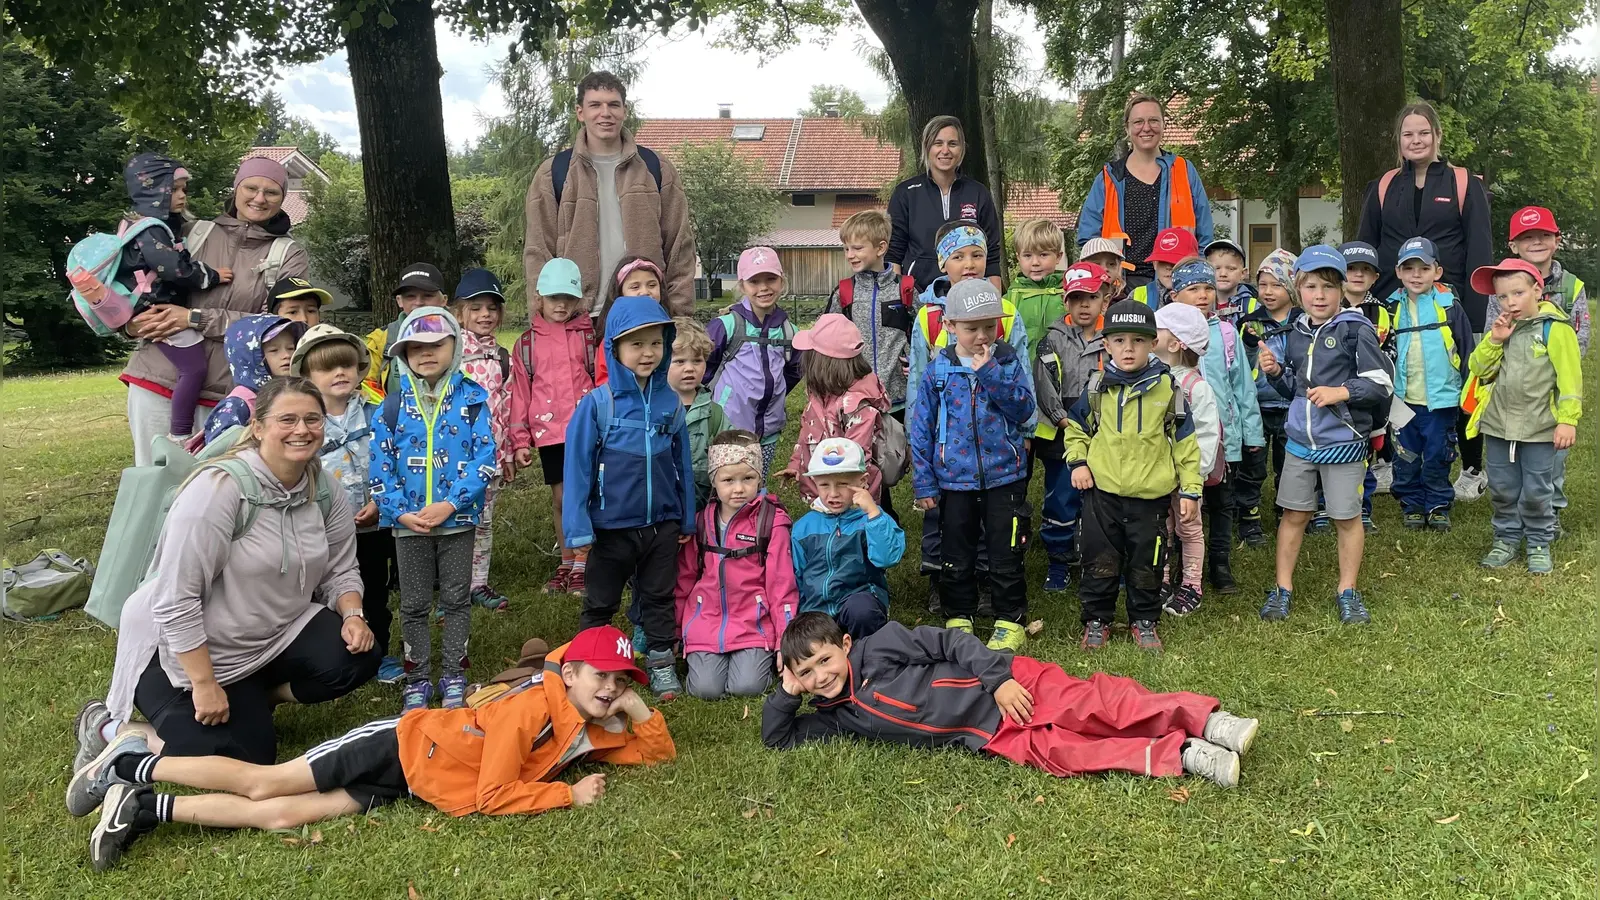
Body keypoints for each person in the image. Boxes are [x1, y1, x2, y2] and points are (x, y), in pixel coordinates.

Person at [72, 626, 675, 872]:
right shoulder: (528, 708)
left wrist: (637, 709)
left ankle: (143, 808)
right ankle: (131, 760)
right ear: (568, 674)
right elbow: (494, 796)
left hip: (415, 782)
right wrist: (565, 795)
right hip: (398, 745)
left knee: (280, 816)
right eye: (602, 677)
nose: (611, 689)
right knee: (268, 782)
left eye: (620, 682)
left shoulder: (581, 729)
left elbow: (657, 757)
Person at [80, 377, 379, 775]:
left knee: (359, 655)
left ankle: (256, 696)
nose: (302, 430)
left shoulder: (323, 489)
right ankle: (109, 729)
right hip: (184, 652)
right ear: (257, 427)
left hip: (274, 633)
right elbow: (176, 599)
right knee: (243, 756)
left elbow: (341, 567)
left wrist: (353, 615)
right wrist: (204, 684)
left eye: (313, 418)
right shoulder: (219, 489)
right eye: (287, 419)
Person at [764, 613, 1258, 788]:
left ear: (845, 646)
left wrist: (998, 680)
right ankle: (1186, 754)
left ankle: (1205, 720)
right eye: (806, 673)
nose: (820, 677)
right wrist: (787, 693)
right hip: (991, 734)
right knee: (1070, 754)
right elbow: (778, 739)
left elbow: (949, 643)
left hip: (1009, 686)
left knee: (1093, 707)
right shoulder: (834, 717)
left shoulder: (881, 648)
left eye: (823, 661)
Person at [121, 155, 310, 467]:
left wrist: (194, 318)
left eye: (272, 192)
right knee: (153, 480)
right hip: (157, 378)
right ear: (236, 189)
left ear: (282, 199)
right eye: (251, 187)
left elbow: (282, 325)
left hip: (230, 394)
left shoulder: (288, 254)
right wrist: (130, 324)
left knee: (215, 489)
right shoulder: (192, 232)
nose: (259, 198)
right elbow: (136, 281)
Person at [1354, 101, 1494, 501]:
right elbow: (1366, 247)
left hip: (1450, 307)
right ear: (1398, 140)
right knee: (1391, 383)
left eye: (1423, 132)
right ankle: (1387, 462)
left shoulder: (1464, 183)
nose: (1415, 140)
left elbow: (1479, 249)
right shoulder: (1382, 187)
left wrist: (1475, 314)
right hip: (1393, 307)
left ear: (1437, 136)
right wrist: (1364, 304)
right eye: (1408, 134)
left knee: (1460, 383)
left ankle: (1470, 468)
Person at [563, 296, 696, 701]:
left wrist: (686, 518)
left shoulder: (669, 402)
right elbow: (577, 468)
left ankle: (660, 664)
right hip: (610, 529)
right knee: (601, 602)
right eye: (636, 344)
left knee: (658, 597)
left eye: (656, 343)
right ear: (615, 349)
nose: (648, 353)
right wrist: (578, 527)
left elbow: (683, 464)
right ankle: (591, 666)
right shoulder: (597, 405)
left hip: (660, 527)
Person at [1256, 246, 1392, 625]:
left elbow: (1381, 384)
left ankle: (1347, 592)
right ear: (1297, 289)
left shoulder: (1355, 329)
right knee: (1294, 515)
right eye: (1311, 286)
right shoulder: (1296, 331)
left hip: (1345, 443)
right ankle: (1282, 589)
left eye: (1328, 287)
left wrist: (1342, 391)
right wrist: (1274, 373)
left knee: (1346, 518)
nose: (1319, 295)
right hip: (1300, 443)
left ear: (1342, 289)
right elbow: (1295, 391)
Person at [370, 309, 497, 713]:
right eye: (416, 347)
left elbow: (486, 459)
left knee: (457, 600)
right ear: (403, 353)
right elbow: (379, 467)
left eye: (436, 345)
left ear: (454, 347)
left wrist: (449, 504)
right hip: (408, 528)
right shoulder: (389, 408)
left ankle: (455, 675)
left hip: (456, 522)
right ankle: (418, 678)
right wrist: (400, 512)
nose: (426, 353)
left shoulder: (473, 397)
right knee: (413, 604)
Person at [906, 220, 1031, 612]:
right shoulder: (929, 321)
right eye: (959, 256)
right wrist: (923, 469)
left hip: (1000, 463)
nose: (970, 262)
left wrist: (1024, 428)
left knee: (998, 533)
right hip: (952, 463)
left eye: (977, 254)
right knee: (949, 531)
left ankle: (994, 588)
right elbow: (921, 404)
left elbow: (1023, 392)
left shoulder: (1005, 325)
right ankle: (945, 587)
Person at [1064, 300, 1201, 652]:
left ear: (1152, 343)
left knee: (1149, 561)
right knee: (1098, 559)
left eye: (1138, 341)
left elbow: (1184, 442)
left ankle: (1145, 619)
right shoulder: (1097, 388)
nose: (1128, 348)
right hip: (1103, 493)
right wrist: (1078, 462)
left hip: (1150, 496)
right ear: (1106, 344)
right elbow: (1077, 429)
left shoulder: (1169, 390)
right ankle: (1098, 619)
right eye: (1120, 340)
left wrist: (1190, 489)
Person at [523, 70, 696, 316]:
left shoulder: (656, 168)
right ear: (580, 112)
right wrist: (541, 320)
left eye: (613, 105)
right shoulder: (554, 172)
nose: (605, 113)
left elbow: (680, 247)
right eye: (595, 105)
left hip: (643, 313)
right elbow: (538, 252)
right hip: (577, 314)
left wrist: (680, 316)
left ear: (624, 110)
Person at [290, 326, 399, 684]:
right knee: (329, 593)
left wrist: (381, 501)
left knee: (374, 588)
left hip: (375, 522)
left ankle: (379, 652)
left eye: (347, 366)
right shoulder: (304, 424)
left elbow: (396, 459)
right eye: (327, 368)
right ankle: (339, 652)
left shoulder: (378, 411)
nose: (340, 373)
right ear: (307, 376)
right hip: (325, 527)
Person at [1466, 259, 1582, 575]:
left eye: (1517, 293)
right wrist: (1494, 341)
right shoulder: (1503, 328)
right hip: (1499, 425)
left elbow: (1570, 379)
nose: (1510, 302)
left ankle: (1538, 543)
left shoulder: (1555, 329)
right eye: (1502, 297)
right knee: (1502, 488)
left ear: (1537, 289)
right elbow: (1478, 369)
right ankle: (1505, 540)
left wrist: (1567, 419)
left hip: (1540, 427)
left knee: (1536, 490)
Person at [105, 153, 230, 445]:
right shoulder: (151, 229)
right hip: (156, 308)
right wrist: (211, 276)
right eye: (174, 189)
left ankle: (180, 430)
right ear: (152, 189)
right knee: (194, 368)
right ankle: (180, 431)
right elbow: (172, 269)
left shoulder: (135, 223)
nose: (182, 196)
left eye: (184, 189)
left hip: (147, 306)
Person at [675, 432, 799, 700]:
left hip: (752, 624)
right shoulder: (700, 523)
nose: (738, 488)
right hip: (705, 622)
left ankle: (753, 661)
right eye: (728, 480)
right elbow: (685, 578)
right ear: (714, 481)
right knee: (704, 690)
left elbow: (782, 585)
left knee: (747, 687)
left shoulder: (771, 522)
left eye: (748, 478)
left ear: (759, 478)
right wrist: (676, 631)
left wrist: (784, 644)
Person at [1164, 258, 1262, 594]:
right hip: (1175, 442)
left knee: (1222, 503)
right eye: (1194, 289)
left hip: (1223, 437)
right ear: (1175, 294)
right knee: (1178, 507)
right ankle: (1177, 566)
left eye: (1208, 288)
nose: (1204, 295)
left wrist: (1252, 434)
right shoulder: (1165, 337)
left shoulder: (1225, 332)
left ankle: (1220, 564)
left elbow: (1242, 388)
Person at [509, 257, 599, 596]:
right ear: (539, 297)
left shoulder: (588, 336)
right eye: (553, 298)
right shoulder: (526, 344)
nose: (560, 305)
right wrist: (520, 439)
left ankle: (585, 561)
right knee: (562, 498)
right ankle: (567, 560)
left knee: (589, 495)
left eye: (567, 298)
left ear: (577, 299)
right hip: (551, 435)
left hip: (587, 429)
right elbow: (521, 392)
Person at [1495, 206, 1588, 526]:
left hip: (1552, 389)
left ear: (1557, 240)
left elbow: (1580, 336)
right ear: (1513, 245)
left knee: (1552, 456)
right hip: (1514, 388)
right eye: (1527, 237)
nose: (1536, 242)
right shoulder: (1502, 282)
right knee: (1514, 455)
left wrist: (1559, 373)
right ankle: (1517, 514)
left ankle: (1551, 513)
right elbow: (1493, 336)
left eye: (1543, 235)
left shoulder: (1572, 285)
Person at [1075, 93, 1215, 285]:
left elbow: (1205, 234)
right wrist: (1104, 277)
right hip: (1121, 285)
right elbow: (1088, 239)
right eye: (1138, 121)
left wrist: (1194, 275)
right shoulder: (1110, 177)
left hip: (1176, 280)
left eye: (1153, 121)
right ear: (1127, 128)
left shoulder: (1183, 170)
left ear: (1164, 125)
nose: (1146, 128)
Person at [1032, 262, 1112, 593]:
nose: (1083, 305)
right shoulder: (1052, 340)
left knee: (1104, 498)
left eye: (1091, 297)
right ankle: (1059, 561)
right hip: (1061, 433)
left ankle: (1102, 560)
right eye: (1076, 298)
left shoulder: (1114, 338)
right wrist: (1062, 418)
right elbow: (1043, 384)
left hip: (1105, 435)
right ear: (1066, 301)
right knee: (1061, 498)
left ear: (1104, 301)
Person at [1387, 237, 1475, 532]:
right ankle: (1412, 503)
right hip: (1402, 400)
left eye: (1423, 268)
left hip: (1442, 399)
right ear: (1398, 272)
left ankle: (1437, 504)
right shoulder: (1390, 310)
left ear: (1437, 271)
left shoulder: (1450, 306)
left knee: (1439, 453)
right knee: (1405, 454)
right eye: (1408, 268)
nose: (1416, 275)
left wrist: (1468, 391)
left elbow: (1466, 350)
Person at [789, 438, 905, 639]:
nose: (833, 493)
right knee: (807, 641)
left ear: (862, 482)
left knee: (862, 613)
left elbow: (888, 558)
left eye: (843, 484)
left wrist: (873, 515)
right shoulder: (804, 527)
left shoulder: (871, 519)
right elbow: (795, 574)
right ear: (815, 483)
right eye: (824, 485)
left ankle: (870, 656)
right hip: (817, 608)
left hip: (858, 601)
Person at [705, 247, 802, 477]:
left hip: (768, 429)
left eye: (771, 279)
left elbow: (795, 371)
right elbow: (704, 369)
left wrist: (776, 394)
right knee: (728, 485)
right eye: (754, 281)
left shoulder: (789, 331)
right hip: (729, 427)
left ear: (782, 280)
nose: (763, 288)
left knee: (756, 482)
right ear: (742, 285)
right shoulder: (726, 326)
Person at [451, 268, 516, 611]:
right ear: (460, 311)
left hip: (488, 458)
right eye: (476, 308)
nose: (484, 315)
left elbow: (504, 409)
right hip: (454, 456)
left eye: (491, 308)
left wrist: (505, 455)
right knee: (452, 520)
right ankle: (452, 587)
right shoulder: (450, 353)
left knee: (484, 521)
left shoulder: (501, 357)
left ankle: (478, 582)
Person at [1152, 304, 1222, 618]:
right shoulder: (1153, 377)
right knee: (1162, 524)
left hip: (1185, 477)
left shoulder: (1197, 388)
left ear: (1175, 343)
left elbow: (1208, 436)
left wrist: (1193, 477)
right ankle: (1163, 579)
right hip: (1156, 472)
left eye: (1158, 330)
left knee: (1189, 528)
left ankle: (1191, 584)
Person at [779, 314, 890, 506]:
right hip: (823, 494)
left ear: (821, 361)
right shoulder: (820, 394)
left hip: (849, 500)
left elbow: (856, 459)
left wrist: (840, 500)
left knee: (853, 535)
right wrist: (796, 463)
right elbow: (807, 433)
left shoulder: (857, 407)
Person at [886, 116, 1004, 292]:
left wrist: (996, 302)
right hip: (918, 297)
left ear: (962, 148)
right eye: (938, 143)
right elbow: (894, 253)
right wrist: (899, 301)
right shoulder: (906, 193)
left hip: (971, 296)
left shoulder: (978, 193)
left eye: (953, 144)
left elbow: (992, 255)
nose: (945, 150)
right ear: (927, 147)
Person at [1235, 249, 1303, 546]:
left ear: (1291, 286)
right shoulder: (1250, 323)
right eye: (1262, 285)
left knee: (1289, 465)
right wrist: (1248, 345)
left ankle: (1285, 512)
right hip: (1257, 406)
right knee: (1253, 466)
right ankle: (1248, 518)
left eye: (1276, 285)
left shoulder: (1303, 321)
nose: (1268, 292)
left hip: (1292, 404)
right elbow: (1238, 365)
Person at [824, 209, 914, 419]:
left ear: (881, 247)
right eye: (846, 249)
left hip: (899, 399)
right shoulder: (844, 292)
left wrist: (917, 360)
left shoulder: (905, 288)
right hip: (855, 398)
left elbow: (926, 332)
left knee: (896, 452)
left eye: (857, 248)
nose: (849, 255)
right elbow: (825, 341)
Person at [1340, 241, 1396, 530]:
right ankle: (1326, 507)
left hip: (1367, 395)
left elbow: (1390, 351)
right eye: (1351, 269)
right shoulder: (1327, 306)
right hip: (1333, 394)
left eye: (1366, 270)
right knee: (1332, 452)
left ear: (1375, 277)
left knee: (1364, 454)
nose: (1358, 275)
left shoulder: (1382, 311)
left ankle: (1363, 507)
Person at [199, 314, 305, 446]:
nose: (287, 355)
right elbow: (218, 449)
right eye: (274, 350)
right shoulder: (238, 404)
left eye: (291, 348)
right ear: (249, 358)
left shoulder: (290, 392)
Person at [669, 317, 732, 511]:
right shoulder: (651, 408)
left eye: (697, 360)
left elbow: (731, 459)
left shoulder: (715, 414)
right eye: (679, 361)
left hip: (703, 510)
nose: (689, 368)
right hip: (663, 511)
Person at [363, 263, 449, 394]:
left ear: (444, 300)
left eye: (427, 295)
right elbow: (366, 387)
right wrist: (389, 410)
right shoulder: (381, 339)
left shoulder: (461, 337)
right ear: (399, 301)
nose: (419, 302)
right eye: (410, 296)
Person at [591, 254, 667, 387]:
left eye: (652, 285)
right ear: (620, 293)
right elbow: (604, 381)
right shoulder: (610, 338)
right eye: (635, 287)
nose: (644, 292)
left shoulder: (670, 330)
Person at [1008, 218, 1067, 354]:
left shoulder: (1068, 293)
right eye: (1027, 255)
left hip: (1062, 369)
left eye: (1043, 254)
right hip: (1023, 370)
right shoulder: (1010, 298)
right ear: (1018, 257)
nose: (1035, 262)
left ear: (1058, 257)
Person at [1130, 226, 1201, 308]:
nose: (1169, 267)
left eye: (1177, 262)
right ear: (1154, 264)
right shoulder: (1138, 295)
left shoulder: (1202, 295)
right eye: (1162, 261)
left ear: (1194, 265)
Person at [1206, 238, 1257, 326]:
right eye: (1216, 268)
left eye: (1231, 269)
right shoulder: (1200, 303)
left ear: (1243, 273)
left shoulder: (1252, 307)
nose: (1223, 274)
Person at [1078, 236, 1135, 301]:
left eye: (1111, 264)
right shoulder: (1074, 299)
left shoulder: (1123, 303)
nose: (1105, 269)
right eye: (1096, 264)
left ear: (1119, 268)